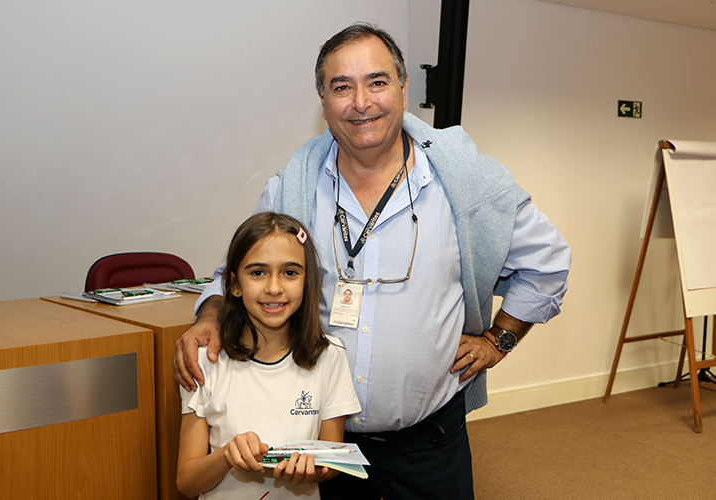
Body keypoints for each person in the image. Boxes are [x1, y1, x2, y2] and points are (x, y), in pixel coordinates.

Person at [174, 23, 571, 499]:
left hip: (429, 442)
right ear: (323, 100)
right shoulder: (292, 190)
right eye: (342, 87)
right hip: (317, 446)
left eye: (377, 82)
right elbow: (236, 273)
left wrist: (498, 339)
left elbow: (548, 263)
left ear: (403, 89)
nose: (361, 102)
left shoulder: (467, 185)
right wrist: (211, 315)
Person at [176, 212, 361, 499]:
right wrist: (227, 456)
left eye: (290, 272)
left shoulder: (330, 356)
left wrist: (313, 469)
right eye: (258, 273)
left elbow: (332, 462)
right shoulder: (205, 361)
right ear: (234, 284)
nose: (274, 288)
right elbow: (187, 482)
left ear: (307, 281)